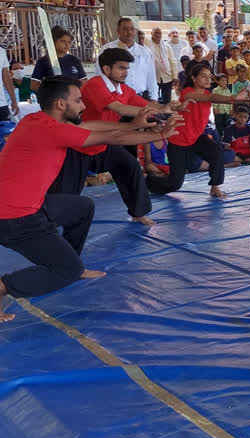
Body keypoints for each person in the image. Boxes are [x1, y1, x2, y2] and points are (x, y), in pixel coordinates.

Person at [0, 76, 181, 322]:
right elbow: (112, 137)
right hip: (15, 218)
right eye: (77, 100)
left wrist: (137, 125)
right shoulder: (47, 128)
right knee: (67, 271)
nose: (83, 106)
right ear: (61, 104)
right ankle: (6, 286)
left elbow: (91, 128)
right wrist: (155, 133)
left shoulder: (37, 120)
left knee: (82, 207)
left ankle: (72, 260)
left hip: (25, 204)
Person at [50, 48, 181, 225]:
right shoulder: (96, 84)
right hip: (79, 145)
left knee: (131, 167)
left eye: (127, 68)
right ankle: (49, 221)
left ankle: (138, 213)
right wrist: (158, 112)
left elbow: (146, 105)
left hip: (104, 142)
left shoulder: (124, 89)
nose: (126, 72)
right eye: (121, 68)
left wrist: (167, 108)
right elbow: (118, 108)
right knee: (67, 192)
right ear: (106, 69)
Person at [145, 64, 248, 198]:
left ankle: (215, 186)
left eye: (210, 77)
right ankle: (148, 181)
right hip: (178, 142)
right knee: (175, 184)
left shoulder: (207, 93)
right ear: (194, 78)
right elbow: (209, 98)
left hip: (196, 138)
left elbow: (210, 97)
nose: (207, 80)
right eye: (203, 76)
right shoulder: (187, 92)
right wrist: (232, 98)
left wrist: (247, 97)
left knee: (217, 153)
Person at [102, 18, 159, 101]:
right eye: (125, 29)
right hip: (117, 99)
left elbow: (151, 78)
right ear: (118, 30)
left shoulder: (145, 52)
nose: (129, 33)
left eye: (132, 29)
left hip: (141, 97)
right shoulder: (107, 49)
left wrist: (154, 99)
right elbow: (100, 76)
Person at [29, 25, 86, 91]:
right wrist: (52, 91)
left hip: (72, 98)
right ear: (53, 42)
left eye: (69, 42)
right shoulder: (43, 61)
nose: (67, 45)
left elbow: (84, 81)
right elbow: (33, 85)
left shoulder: (74, 60)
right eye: (63, 41)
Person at [145, 27, 177, 105]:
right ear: (151, 33)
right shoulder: (147, 45)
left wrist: (175, 76)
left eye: (159, 33)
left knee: (167, 101)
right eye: (156, 33)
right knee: (153, 100)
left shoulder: (166, 46)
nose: (158, 35)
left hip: (167, 77)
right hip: (153, 78)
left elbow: (172, 61)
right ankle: (155, 116)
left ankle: (167, 116)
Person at [0, 48, 20, 122]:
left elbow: (7, 78)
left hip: (1, 104)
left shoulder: (1, 51)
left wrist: (14, 101)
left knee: (6, 132)